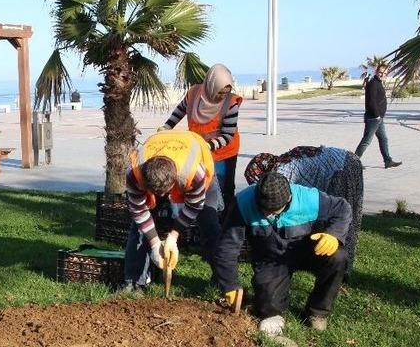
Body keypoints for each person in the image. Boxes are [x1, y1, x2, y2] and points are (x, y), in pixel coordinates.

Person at [213, 172, 352, 335]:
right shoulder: (243, 203)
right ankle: (273, 308)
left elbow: (343, 208)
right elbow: (227, 247)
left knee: (338, 257)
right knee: (268, 306)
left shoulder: (307, 198)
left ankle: (317, 312)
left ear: (288, 199)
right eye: (263, 209)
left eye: (273, 211)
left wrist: (334, 234)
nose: (267, 215)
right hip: (270, 258)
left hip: (307, 249)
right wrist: (229, 284)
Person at [121, 130, 223, 293]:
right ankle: (133, 282)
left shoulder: (194, 173)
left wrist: (173, 237)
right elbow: (139, 211)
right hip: (161, 159)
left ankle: (223, 281)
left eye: (164, 192)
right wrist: (155, 243)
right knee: (138, 229)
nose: (162, 197)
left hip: (199, 159)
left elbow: (194, 207)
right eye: (156, 192)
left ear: (175, 180)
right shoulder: (134, 173)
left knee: (209, 223)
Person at [243, 146, 363, 277]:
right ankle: (322, 259)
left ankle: (342, 270)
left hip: (343, 167)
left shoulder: (281, 177)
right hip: (343, 158)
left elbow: (290, 212)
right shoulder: (280, 164)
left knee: (341, 219)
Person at [160, 63, 242, 212]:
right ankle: (201, 213)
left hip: (223, 152)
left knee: (224, 185)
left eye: (225, 93)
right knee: (200, 182)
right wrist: (166, 127)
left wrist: (207, 146)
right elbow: (180, 111)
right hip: (198, 148)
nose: (222, 96)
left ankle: (225, 216)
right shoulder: (194, 93)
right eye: (219, 92)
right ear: (211, 85)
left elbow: (228, 135)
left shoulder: (231, 103)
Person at [355, 64, 402, 168]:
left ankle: (387, 161)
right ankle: (353, 162)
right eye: (381, 72)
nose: (382, 75)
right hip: (373, 118)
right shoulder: (373, 84)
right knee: (366, 140)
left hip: (378, 118)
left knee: (383, 138)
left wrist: (379, 116)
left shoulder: (378, 83)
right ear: (376, 71)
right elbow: (371, 102)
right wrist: (376, 115)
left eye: (385, 73)